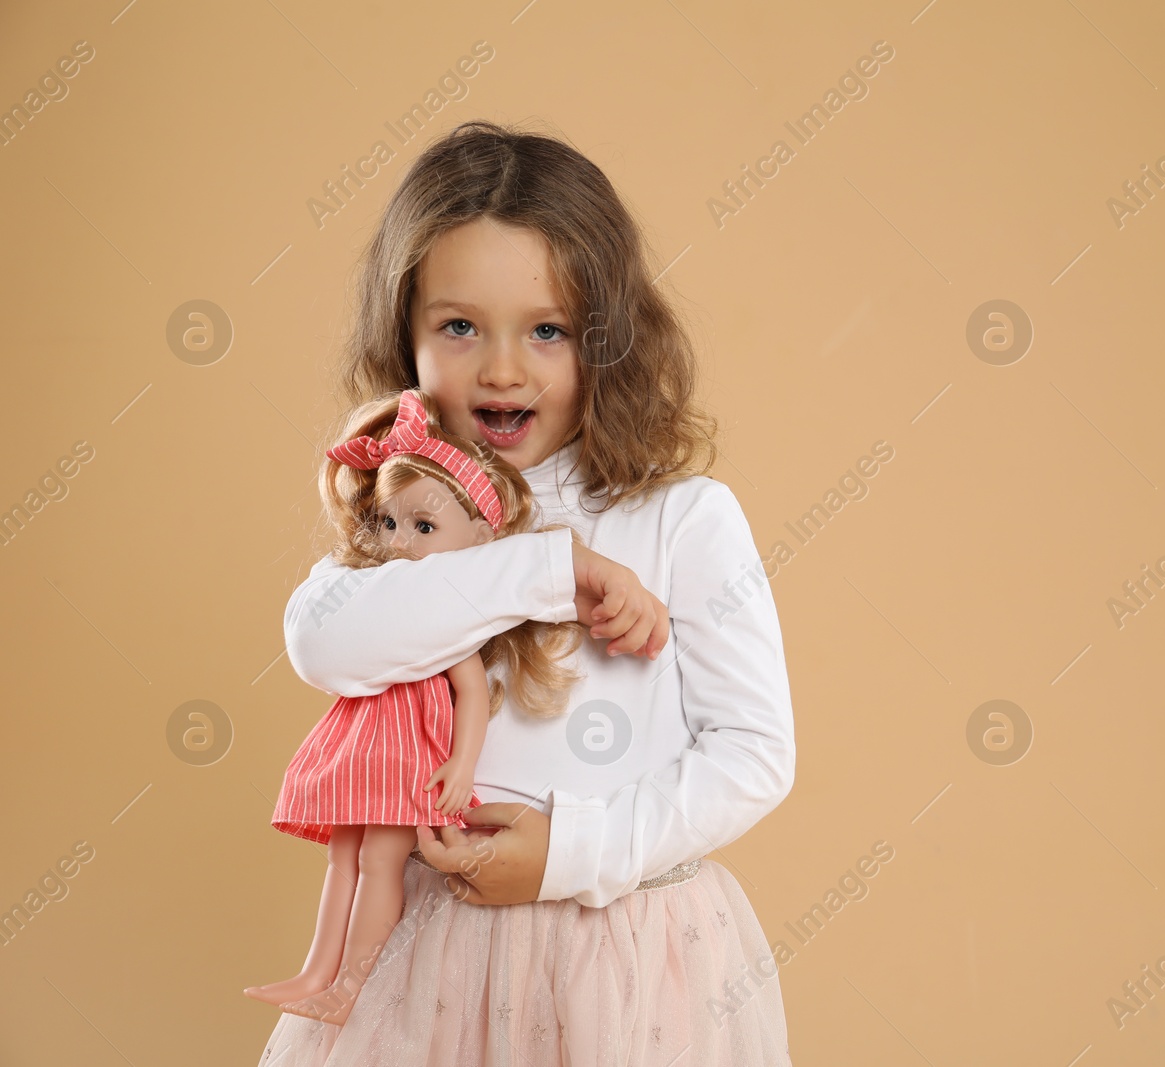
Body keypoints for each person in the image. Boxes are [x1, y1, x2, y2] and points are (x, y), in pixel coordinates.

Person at [256, 120, 796, 1066]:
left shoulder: (683, 518)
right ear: (406, 334)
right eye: (459, 326)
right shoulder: (404, 510)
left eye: (546, 330)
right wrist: (550, 568)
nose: (502, 368)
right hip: (433, 951)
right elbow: (325, 641)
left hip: (629, 951)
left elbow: (753, 753)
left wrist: (569, 854)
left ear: (608, 340)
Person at [246, 387, 587, 1026]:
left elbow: (473, 693)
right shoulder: (382, 598)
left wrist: (462, 765)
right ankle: (316, 971)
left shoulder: (456, 622)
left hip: (407, 760)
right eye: (389, 523)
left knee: (380, 859)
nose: (400, 542)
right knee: (342, 854)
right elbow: (326, 644)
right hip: (363, 751)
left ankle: (351, 982)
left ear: (483, 537)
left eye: (424, 527)